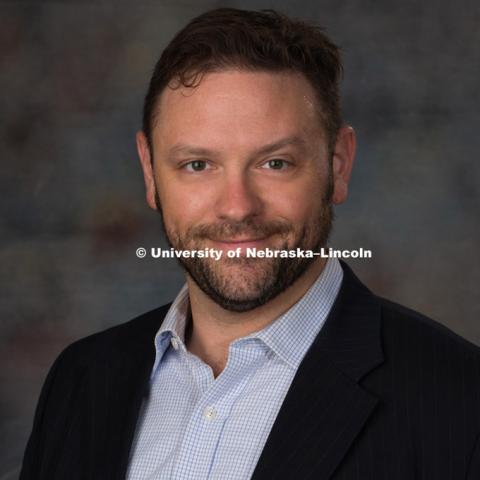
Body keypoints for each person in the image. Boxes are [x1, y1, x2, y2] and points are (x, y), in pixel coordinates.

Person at [20, 8, 480, 480]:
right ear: (149, 171)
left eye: (275, 163)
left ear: (338, 165)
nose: (238, 209)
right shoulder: (82, 379)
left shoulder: (460, 402)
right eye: (198, 165)